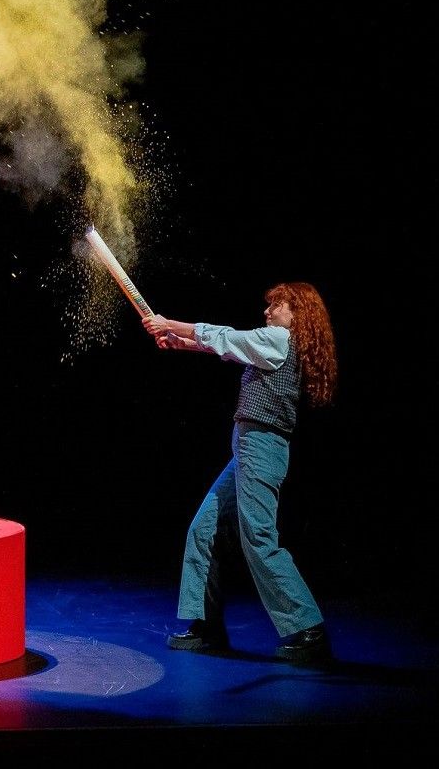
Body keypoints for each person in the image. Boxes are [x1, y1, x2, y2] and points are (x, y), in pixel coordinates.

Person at [142, 281, 338, 662]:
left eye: (276, 305)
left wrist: (170, 324)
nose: (268, 311)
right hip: (247, 449)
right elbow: (227, 347)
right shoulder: (274, 344)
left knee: (259, 538)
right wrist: (180, 341)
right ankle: (206, 626)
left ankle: (309, 629)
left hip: (261, 448)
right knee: (204, 529)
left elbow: (227, 336)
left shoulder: (280, 340)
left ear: (297, 314)